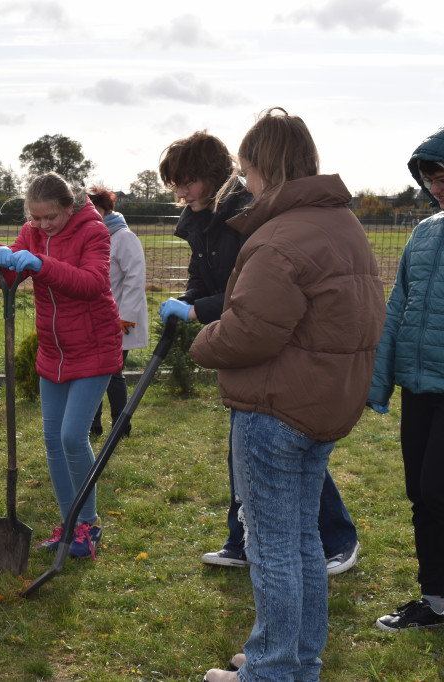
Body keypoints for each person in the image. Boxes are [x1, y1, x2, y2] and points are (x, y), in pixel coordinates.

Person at [190, 107, 385, 682]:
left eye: (247, 170)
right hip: (322, 405)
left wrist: (201, 341)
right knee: (301, 543)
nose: (244, 183)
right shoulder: (342, 223)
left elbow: (250, 330)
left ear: (266, 168)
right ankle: (296, 660)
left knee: (272, 547)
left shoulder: (280, 238)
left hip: (275, 410)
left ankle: (274, 669)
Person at [157, 130, 361, 576]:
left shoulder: (243, 216)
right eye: (174, 184)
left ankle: (340, 537)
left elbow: (248, 299)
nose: (181, 192)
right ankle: (241, 538)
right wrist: (189, 302)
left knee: (279, 451)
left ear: (213, 176)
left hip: (267, 350)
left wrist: (196, 315)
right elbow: (205, 277)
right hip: (241, 341)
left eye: (187, 181)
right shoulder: (198, 219)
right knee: (245, 448)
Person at [0, 172, 123, 559]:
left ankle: (89, 524)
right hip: (54, 351)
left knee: (71, 437)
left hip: (94, 347)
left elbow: (93, 283)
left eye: (50, 218)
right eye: (35, 218)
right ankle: (70, 524)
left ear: (69, 207)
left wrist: (41, 264)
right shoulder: (31, 234)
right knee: (52, 443)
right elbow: (4, 279)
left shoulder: (94, 232)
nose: (42, 225)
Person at [367, 127, 444, 633]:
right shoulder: (424, 233)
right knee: (420, 491)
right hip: (419, 385)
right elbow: (397, 307)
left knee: (438, 488)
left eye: (443, 175)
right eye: (430, 178)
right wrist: (379, 383)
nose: (437, 186)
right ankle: (434, 600)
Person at [87, 186, 147, 439]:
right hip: (95, 317)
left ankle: (121, 427)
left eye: (95, 210)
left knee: (112, 373)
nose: (91, 215)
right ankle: (93, 426)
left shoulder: (123, 237)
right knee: (91, 372)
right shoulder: (94, 237)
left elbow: (135, 279)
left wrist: (126, 319)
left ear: (106, 209)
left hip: (120, 318)